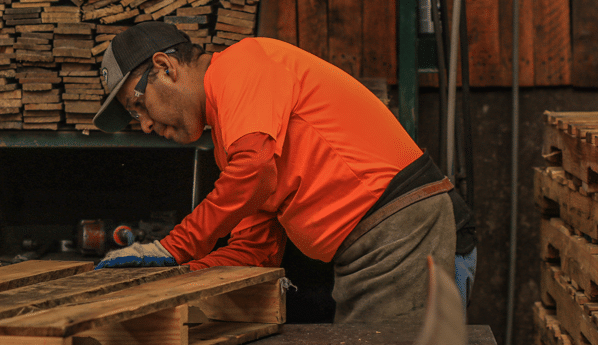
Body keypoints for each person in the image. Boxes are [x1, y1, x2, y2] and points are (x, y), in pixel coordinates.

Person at [92, 21, 477, 323]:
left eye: (137, 105)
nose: (143, 124)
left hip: (398, 228)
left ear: (165, 68)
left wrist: (173, 247)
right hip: (374, 242)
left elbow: (253, 172)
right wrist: (173, 274)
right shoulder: (238, 142)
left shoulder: (243, 64)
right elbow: (254, 250)